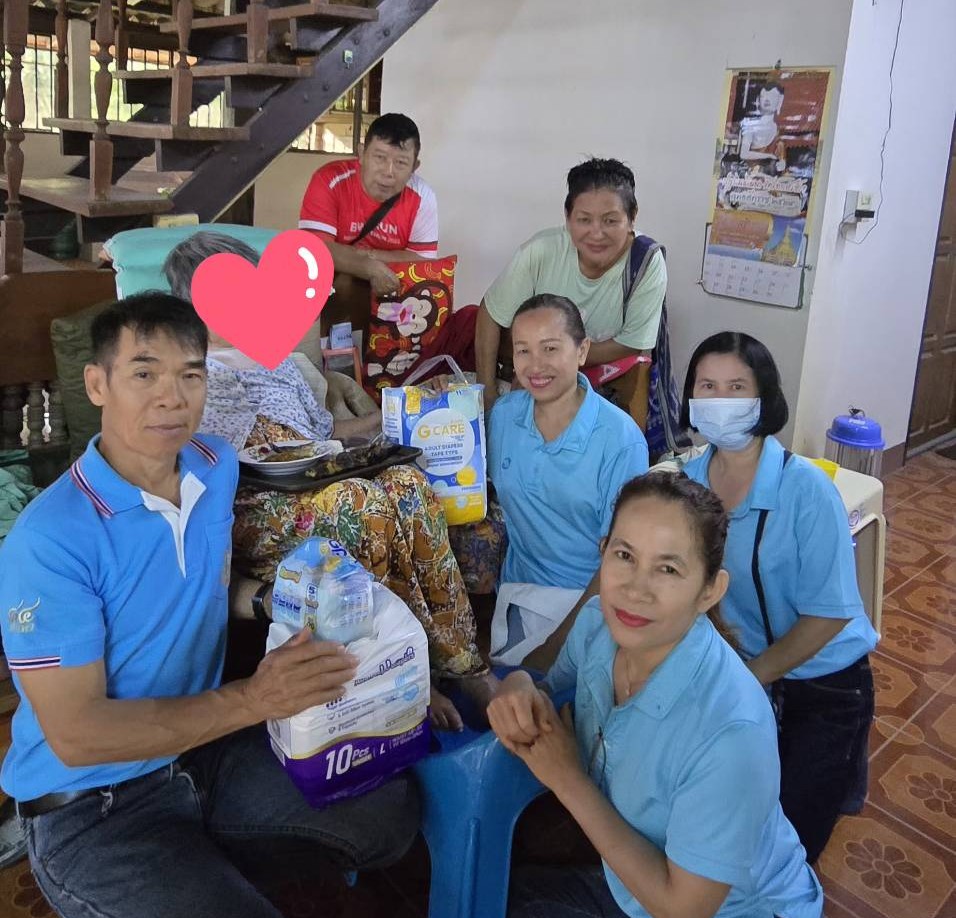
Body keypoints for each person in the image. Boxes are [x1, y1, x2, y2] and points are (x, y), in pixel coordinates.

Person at [0, 293, 420, 918]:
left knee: (386, 815)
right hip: (94, 806)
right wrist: (257, 697)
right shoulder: (49, 540)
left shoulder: (213, 467)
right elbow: (77, 734)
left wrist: (277, 600)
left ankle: (179, 894)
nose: (172, 397)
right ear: (97, 384)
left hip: (202, 756)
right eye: (144, 373)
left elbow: (197, 580)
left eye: (190, 375)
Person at [488, 472, 841, 918]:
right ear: (603, 552)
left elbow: (684, 915)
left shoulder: (732, 728)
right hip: (646, 917)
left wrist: (568, 779)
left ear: (709, 591)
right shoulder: (600, 627)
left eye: (669, 569)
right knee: (504, 916)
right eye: (625, 556)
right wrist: (518, 686)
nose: (636, 589)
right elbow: (546, 680)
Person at [164, 232, 492, 727]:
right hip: (252, 505)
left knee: (407, 482)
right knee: (360, 502)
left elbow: (328, 435)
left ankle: (464, 665)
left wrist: (405, 407)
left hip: (317, 481)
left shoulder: (278, 361)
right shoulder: (190, 374)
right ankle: (401, 669)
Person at [680, 331, 878, 863]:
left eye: (736, 387)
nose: (720, 400)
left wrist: (752, 677)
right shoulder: (686, 483)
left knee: (789, 844)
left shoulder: (806, 491)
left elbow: (831, 615)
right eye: (707, 386)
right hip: (738, 673)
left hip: (822, 684)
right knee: (731, 819)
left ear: (764, 397)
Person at [488, 294, 648, 669]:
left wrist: (555, 648)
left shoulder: (619, 440)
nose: (535, 365)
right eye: (523, 350)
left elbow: (623, 560)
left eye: (550, 348)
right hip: (519, 593)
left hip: (592, 603)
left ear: (582, 351)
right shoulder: (505, 416)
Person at [475, 158, 667, 412]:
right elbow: (491, 314)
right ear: (567, 218)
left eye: (610, 221)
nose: (596, 234)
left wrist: (551, 365)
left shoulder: (645, 263)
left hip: (601, 389)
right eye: (584, 220)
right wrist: (487, 393)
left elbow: (633, 342)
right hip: (526, 381)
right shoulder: (541, 251)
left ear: (632, 218)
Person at [298, 112, 438, 299]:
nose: (388, 172)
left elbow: (422, 261)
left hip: (390, 298)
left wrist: (366, 257)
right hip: (329, 291)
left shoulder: (422, 197)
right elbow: (315, 249)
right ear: (362, 153)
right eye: (380, 157)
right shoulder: (329, 180)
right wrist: (366, 267)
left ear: (414, 167)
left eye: (401, 163)